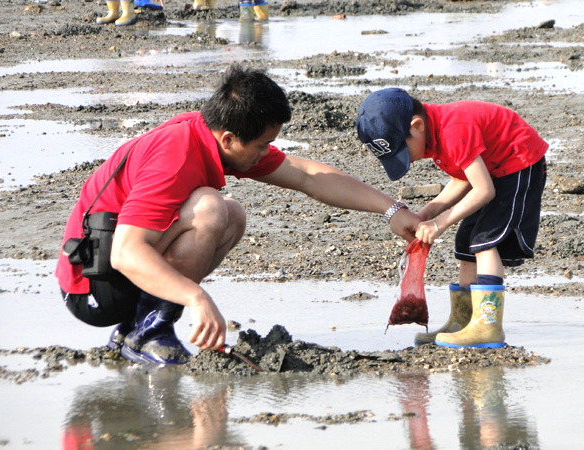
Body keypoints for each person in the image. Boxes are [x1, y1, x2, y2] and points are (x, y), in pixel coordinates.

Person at [56, 65, 420, 365]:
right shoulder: (175, 156)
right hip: (92, 288)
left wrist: (392, 209)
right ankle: (149, 333)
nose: (266, 154)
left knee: (232, 214)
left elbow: (308, 176)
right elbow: (125, 252)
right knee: (211, 208)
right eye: (262, 145)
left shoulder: (210, 137)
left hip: (116, 271)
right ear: (229, 138)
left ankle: (136, 328)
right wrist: (196, 298)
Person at [356, 88, 548, 349]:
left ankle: (488, 326)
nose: (407, 159)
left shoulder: (453, 130)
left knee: (484, 240)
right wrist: (427, 214)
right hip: (491, 170)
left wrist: (439, 223)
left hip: (518, 162)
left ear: (417, 125)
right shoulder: (434, 136)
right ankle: (464, 321)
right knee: (465, 242)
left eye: (402, 151)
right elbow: (462, 178)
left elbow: (483, 190)